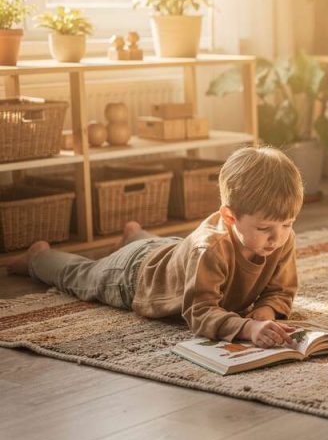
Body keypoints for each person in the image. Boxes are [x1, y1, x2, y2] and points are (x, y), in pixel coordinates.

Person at [2, 146, 304, 348]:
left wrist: (266, 310)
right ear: (229, 216)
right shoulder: (211, 249)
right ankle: (37, 256)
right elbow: (199, 312)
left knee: (163, 249)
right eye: (265, 229)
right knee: (80, 275)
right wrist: (247, 329)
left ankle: (135, 234)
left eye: (288, 224)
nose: (278, 238)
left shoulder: (280, 238)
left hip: (171, 253)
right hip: (135, 276)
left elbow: (281, 290)